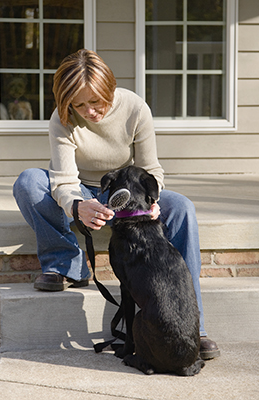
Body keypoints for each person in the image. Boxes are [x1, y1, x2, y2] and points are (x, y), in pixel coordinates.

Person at [13, 49, 220, 360]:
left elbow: (152, 170)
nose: (89, 111)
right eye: (79, 105)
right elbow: (63, 181)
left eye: (96, 102)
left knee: (183, 208)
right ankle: (66, 264)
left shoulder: (135, 108)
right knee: (29, 182)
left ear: (109, 89)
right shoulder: (61, 118)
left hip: (126, 191)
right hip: (82, 189)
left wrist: (153, 200)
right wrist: (77, 206)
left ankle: (193, 325)